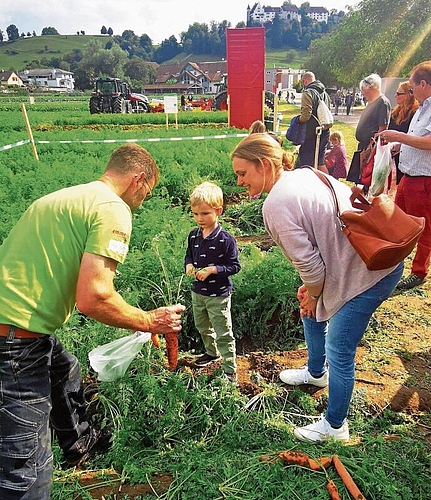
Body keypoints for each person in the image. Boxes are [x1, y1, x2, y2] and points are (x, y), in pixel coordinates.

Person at [0, 143, 186, 499]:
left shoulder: (64, 198)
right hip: (13, 341)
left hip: (19, 324)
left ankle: (80, 446)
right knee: (26, 468)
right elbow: (94, 297)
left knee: (64, 369)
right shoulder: (113, 208)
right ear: (139, 179)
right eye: (148, 191)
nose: (145, 198)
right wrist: (147, 320)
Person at [231, 133, 402, 442]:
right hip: (355, 261)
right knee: (310, 307)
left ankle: (335, 426)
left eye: (243, 173)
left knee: (339, 347)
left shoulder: (275, 205)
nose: (239, 182)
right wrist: (311, 292)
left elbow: (312, 268)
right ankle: (315, 373)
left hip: (368, 273)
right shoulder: (305, 173)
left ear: (264, 165)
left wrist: (313, 291)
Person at [379, 61, 431, 291]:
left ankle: (419, 272)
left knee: (424, 228)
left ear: (423, 84)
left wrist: (399, 138)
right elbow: (416, 140)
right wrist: (398, 146)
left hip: (424, 179)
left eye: (411, 88)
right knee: (397, 223)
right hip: (408, 177)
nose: (410, 93)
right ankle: (391, 265)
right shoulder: (422, 109)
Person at [185, 181, 241, 382]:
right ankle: (211, 352)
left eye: (205, 213)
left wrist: (213, 270)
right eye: (195, 214)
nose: (200, 218)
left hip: (218, 294)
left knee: (223, 331)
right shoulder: (193, 236)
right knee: (202, 326)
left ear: (218, 211)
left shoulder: (226, 239)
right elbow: (188, 256)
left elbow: (234, 266)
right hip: (198, 292)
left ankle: (230, 369)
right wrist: (189, 266)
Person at [297, 71, 332, 171]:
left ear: (305, 81)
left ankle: (308, 185)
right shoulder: (325, 93)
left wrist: (297, 120)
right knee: (320, 162)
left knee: (306, 163)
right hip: (324, 131)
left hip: (311, 132)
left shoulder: (308, 93)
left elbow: (305, 116)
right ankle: (327, 185)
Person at [387, 81, 419, 185]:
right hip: (394, 155)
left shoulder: (415, 113)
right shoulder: (395, 112)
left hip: (407, 157)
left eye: (399, 93)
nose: (395, 96)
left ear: (409, 95)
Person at [355, 73, 391, 151]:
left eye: (364, 90)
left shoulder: (382, 103)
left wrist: (372, 147)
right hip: (363, 145)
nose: (363, 93)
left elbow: (383, 128)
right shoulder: (371, 102)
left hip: (370, 147)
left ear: (373, 88)